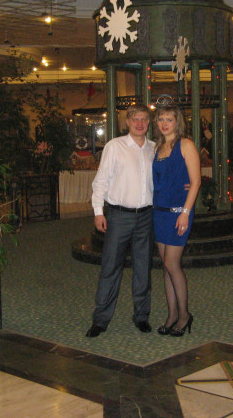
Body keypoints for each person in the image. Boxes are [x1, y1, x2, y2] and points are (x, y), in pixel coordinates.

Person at [86, 104, 156, 338]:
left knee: (143, 269)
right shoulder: (114, 146)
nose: (139, 123)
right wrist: (98, 211)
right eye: (135, 119)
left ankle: (142, 316)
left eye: (144, 119)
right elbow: (101, 180)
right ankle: (100, 319)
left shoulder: (154, 148)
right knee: (110, 268)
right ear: (127, 122)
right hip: (119, 216)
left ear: (149, 122)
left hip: (146, 216)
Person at [152, 105, 201, 336]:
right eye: (160, 119)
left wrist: (185, 212)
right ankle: (172, 315)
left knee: (173, 264)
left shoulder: (186, 144)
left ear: (177, 122)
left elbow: (196, 181)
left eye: (169, 119)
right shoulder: (157, 147)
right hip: (159, 211)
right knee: (166, 266)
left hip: (178, 212)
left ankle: (184, 315)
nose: (164, 124)